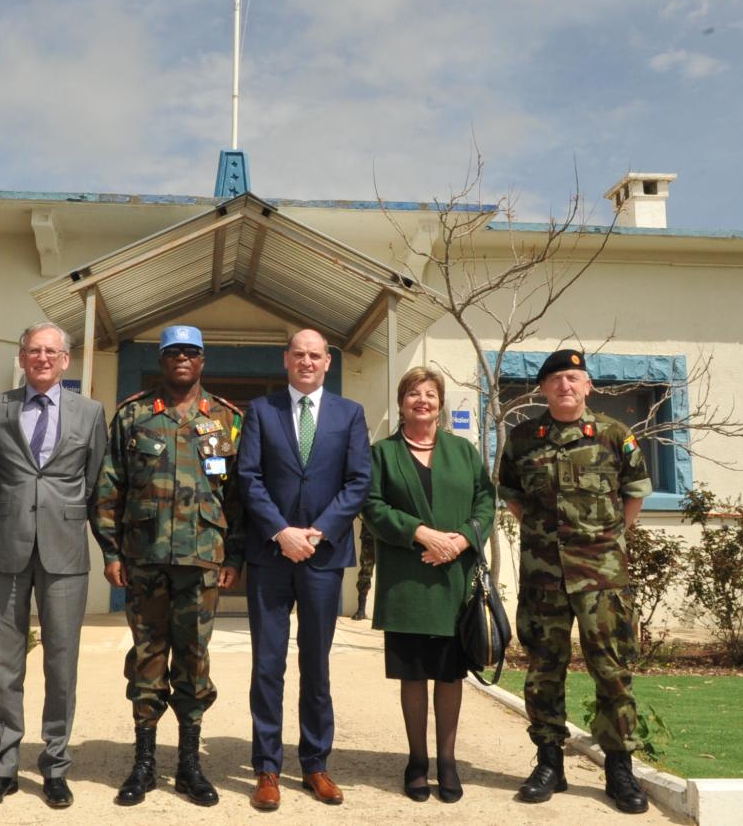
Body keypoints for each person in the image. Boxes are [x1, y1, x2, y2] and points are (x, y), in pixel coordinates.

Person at [93, 325, 243, 808]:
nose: (182, 358)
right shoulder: (132, 415)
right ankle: (144, 763)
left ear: (202, 361)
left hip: (202, 561)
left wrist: (234, 556)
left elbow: (240, 497)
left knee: (194, 662)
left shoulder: (227, 419)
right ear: (161, 360)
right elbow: (109, 487)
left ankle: (189, 765)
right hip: (145, 560)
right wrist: (111, 552)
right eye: (173, 352)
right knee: (147, 658)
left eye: (190, 352)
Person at [498, 349, 653, 814]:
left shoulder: (614, 434)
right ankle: (549, 764)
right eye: (556, 380)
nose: (565, 386)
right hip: (544, 576)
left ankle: (619, 769)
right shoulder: (522, 439)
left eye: (573, 378)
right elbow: (512, 495)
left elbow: (634, 493)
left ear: (588, 386)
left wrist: (609, 541)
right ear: (543, 389)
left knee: (612, 670)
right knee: (544, 669)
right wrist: (545, 538)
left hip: (602, 578)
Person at [0, 322, 107, 811]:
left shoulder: (90, 412)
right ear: (22, 357)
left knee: (61, 663)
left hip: (64, 551)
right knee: (5, 663)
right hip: (7, 548)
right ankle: (4, 765)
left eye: (52, 351)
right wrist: (16, 513)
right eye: (34, 350)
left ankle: (55, 766)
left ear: (66, 359)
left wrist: (58, 514)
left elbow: (93, 481)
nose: (43, 358)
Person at [237, 328, 371, 811]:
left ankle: (315, 763)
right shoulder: (261, 411)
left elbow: (358, 481)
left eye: (315, 355)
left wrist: (318, 531)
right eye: (299, 354)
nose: (307, 362)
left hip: (323, 555)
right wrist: (281, 531)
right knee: (267, 665)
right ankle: (267, 768)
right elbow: (248, 477)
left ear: (328, 362)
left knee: (316, 664)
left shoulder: (349, 414)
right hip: (272, 555)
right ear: (286, 359)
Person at [361, 366, 495, 804]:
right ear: (401, 403)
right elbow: (372, 506)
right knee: (414, 675)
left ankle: (448, 761)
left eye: (430, 394)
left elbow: (485, 501)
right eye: (413, 393)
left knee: (450, 675)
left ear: (440, 404)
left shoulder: (463, 451)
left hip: (454, 581)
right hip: (407, 583)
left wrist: (461, 539)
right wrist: (421, 534)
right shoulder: (382, 453)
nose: (422, 400)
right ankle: (417, 762)